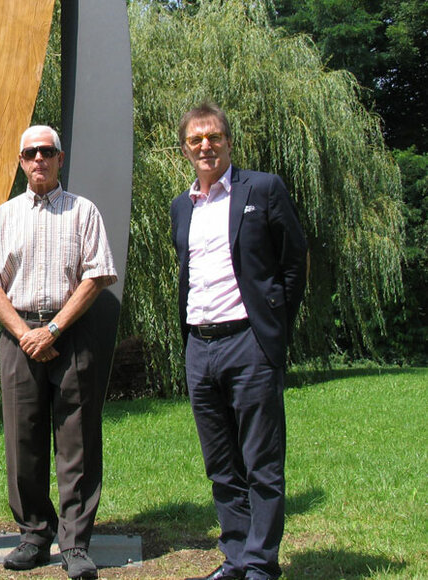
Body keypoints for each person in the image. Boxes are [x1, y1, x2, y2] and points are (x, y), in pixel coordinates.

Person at [0, 125, 118, 580]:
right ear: (21, 161)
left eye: (47, 152)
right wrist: (23, 333)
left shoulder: (83, 212)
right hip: (19, 337)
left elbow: (97, 275)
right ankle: (34, 533)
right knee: (23, 440)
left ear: (59, 158)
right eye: (31, 153)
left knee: (76, 439)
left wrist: (52, 329)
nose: (39, 159)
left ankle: (75, 544)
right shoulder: (4, 215)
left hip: (70, 332)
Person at [170, 103, 308, 580]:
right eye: (195, 140)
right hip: (199, 347)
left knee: (261, 461)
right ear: (185, 148)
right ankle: (234, 557)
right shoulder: (180, 207)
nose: (205, 146)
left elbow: (293, 261)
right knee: (221, 464)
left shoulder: (263, 189)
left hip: (249, 342)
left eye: (213, 137)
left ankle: (261, 564)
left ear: (229, 141)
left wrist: (273, 325)